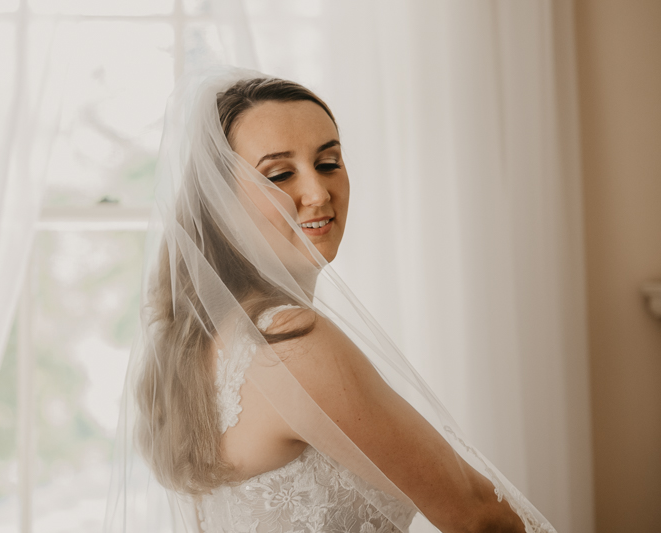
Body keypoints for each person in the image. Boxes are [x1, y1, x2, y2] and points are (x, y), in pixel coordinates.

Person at [105, 66, 556, 533]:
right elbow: (478, 514)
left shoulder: (203, 338)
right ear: (220, 205)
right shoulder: (290, 343)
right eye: (279, 174)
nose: (317, 193)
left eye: (327, 162)